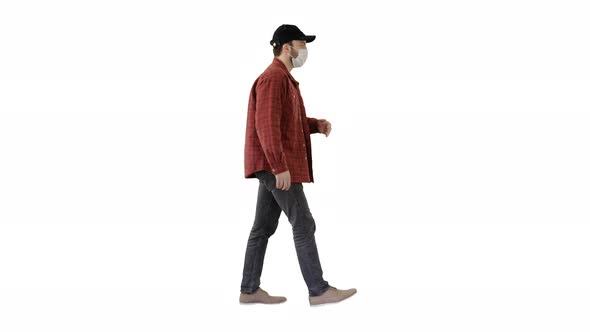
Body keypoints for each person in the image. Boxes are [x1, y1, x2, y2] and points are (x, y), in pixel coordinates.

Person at [240, 24, 357, 306]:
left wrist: (315, 125)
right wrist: (279, 167)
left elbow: (285, 122)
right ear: (285, 46)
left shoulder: (284, 80)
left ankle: (249, 289)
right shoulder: (273, 79)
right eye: (300, 43)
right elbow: (266, 127)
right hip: (275, 166)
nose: (304, 49)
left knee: (262, 227)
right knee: (303, 223)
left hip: (272, 164)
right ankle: (318, 290)